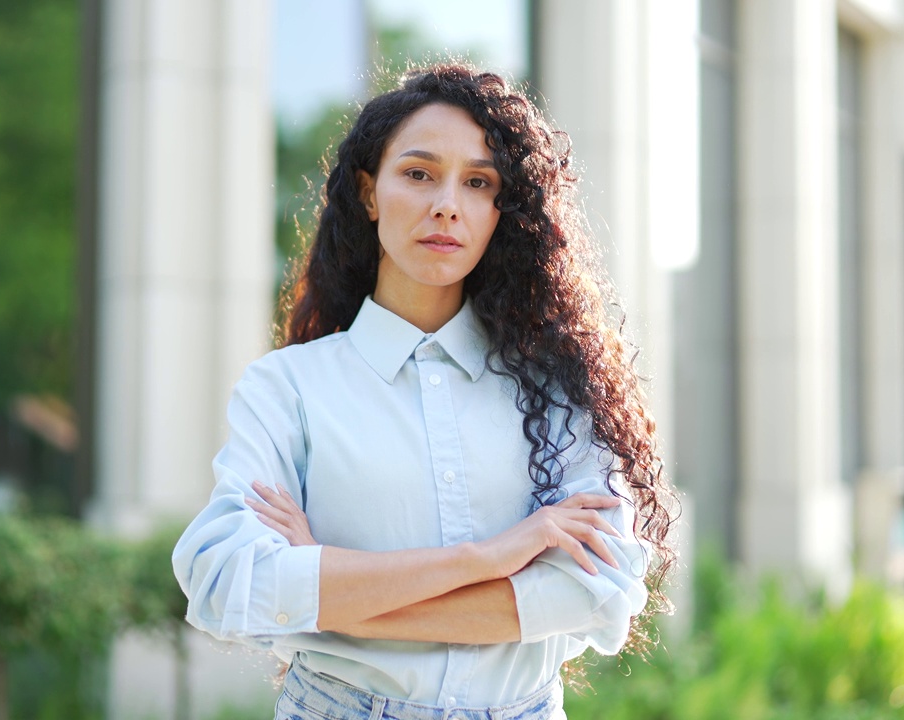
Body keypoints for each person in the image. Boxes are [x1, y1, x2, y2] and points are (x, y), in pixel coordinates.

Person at [173, 63, 677, 720]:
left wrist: (327, 589)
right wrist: (489, 558)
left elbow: (600, 591)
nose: (447, 204)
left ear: (503, 211)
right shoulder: (288, 388)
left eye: (478, 182)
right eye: (418, 173)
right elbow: (222, 581)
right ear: (369, 192)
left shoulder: (555, 389)